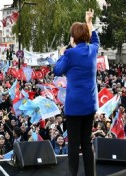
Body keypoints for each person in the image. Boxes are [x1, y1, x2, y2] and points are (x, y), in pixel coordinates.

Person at [53, 9, 99, 176]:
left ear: (74, 37)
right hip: (90, 104)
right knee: (86, 144)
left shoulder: (70, 54)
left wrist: (61, 55)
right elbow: (95, 38)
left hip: (74, 106)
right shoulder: (93, 50)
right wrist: (89, 21)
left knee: (73, 145)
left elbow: (57, 70)